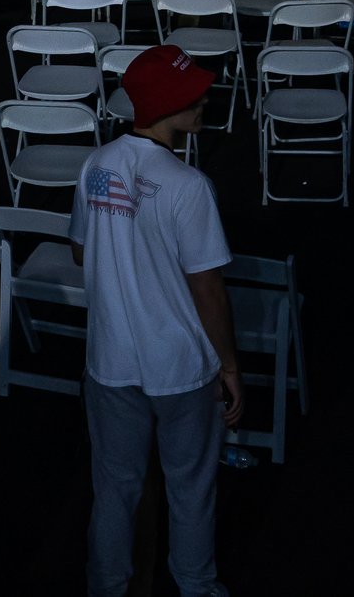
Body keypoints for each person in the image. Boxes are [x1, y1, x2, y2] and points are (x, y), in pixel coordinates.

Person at [71, 44, 240, 597]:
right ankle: (194, 584)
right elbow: (208, 288)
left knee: (115, 489)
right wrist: (231, 367)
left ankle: (108, 587)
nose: (205, 100)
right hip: (181, 367)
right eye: (195, 94)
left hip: (110, 360)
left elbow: (81, 250)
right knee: (190, 486)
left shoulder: (97, 165)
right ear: (170, 104)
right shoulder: (188, 186)